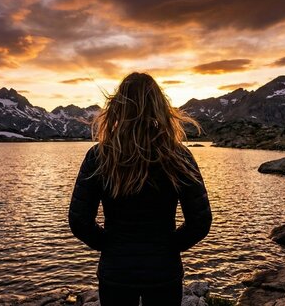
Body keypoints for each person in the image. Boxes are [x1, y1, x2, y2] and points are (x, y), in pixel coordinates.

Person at [68, 72, 212, 306]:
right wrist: (167, 247)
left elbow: (79, 221)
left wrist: (111, 245)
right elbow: (200, 222)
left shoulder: (99, 156)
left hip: (116, 273)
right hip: (163, 273)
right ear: (159, 107)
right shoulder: (179, 156)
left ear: (118, 107)